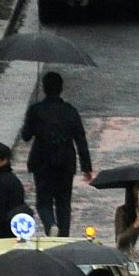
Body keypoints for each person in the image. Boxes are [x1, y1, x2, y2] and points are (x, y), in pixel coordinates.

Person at [17, 71, 92, 236]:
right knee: (63, 202)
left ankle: (50, 224)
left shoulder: (36, 110)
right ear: (61, 88)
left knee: (43, 201)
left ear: (43, 88)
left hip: (41, 161)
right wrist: (86, 166)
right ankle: (63, 234)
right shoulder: (70, 111)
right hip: (65, 162)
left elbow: (26, 136)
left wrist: (29, 121)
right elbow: (80, 139)